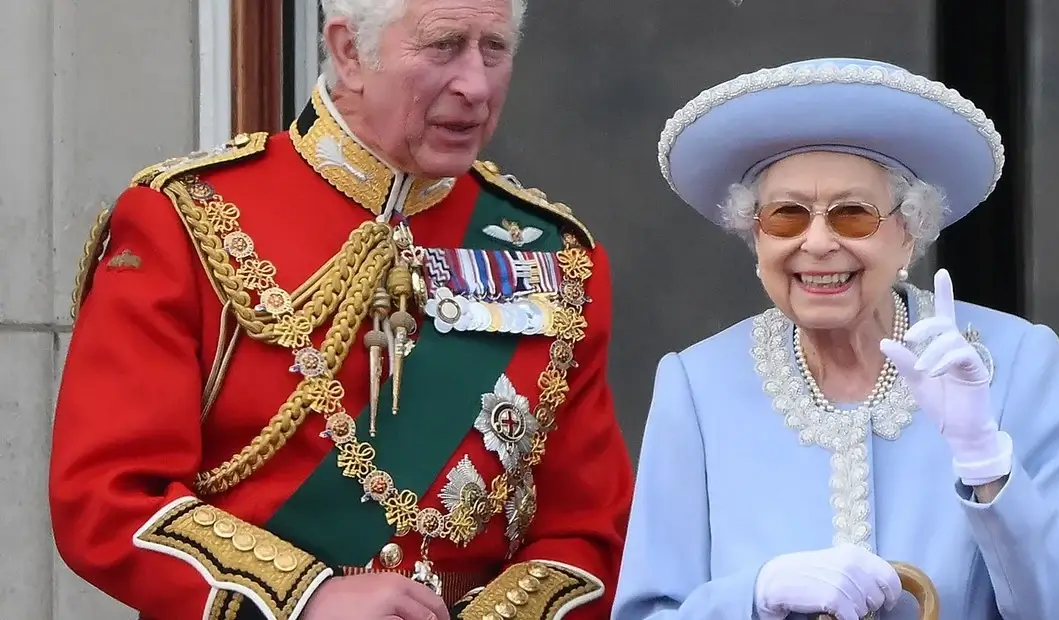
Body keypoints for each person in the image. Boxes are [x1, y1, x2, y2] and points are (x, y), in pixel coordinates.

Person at [49, 1, 634, 619]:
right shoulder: (188, 220)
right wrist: (303, 599)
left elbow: (592, 531)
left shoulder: (557, 256)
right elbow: (107, 495)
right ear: (349, 51)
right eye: (443, 45)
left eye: (495, 49)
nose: (476, 85)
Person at [611, 57, 1059, 620]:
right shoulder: (697, 386)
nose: (818, 243)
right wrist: (753, 596)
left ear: (908, 233)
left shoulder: (1018, 364)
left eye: (852, 215)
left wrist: (986, 464)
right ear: (757, 238)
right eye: (787, 216)